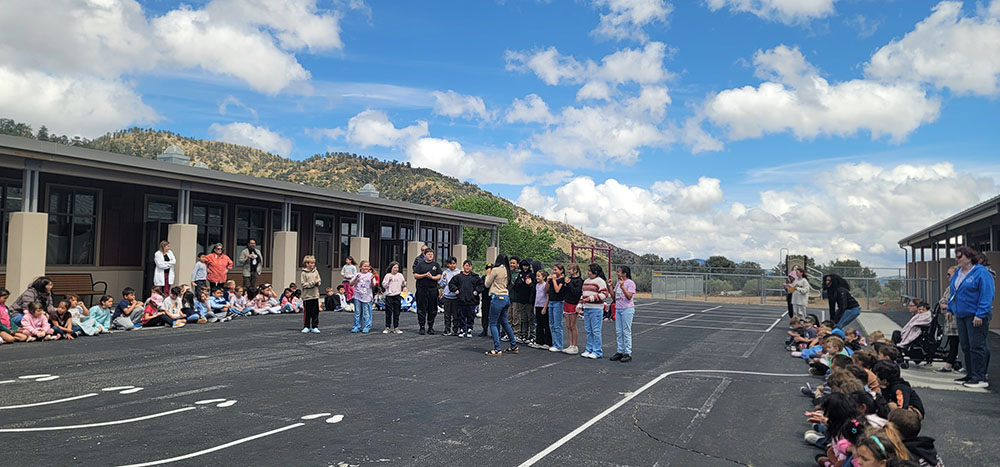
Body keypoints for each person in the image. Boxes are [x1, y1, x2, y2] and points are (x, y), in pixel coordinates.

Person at [948, 246, 994, 388]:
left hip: (974, 315)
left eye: (959, 257)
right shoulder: (958, 273)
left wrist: (980, 314)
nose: (957, 260)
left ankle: (980, 377)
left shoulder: (981, 273)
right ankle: (970, 373)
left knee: (977, 345)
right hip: (961, 314)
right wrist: (950, 308)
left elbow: (986, 294)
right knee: (966, 345)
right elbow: (953, 292)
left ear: (969, 257)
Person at [484, 253, 518, 356]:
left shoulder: (495, 270)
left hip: (497, 297)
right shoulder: (507, 271)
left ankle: (497, 348)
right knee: (505, 322)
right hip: (506, 297)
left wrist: (488, 274)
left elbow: (487, 284)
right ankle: (514, 345)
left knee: (493, 323)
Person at [579, 264, 609, 360]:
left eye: (589, 270)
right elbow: (582, 295)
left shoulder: (600, 281)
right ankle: (589, 349)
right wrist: (579, 305)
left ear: (595, 272)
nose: (587, 272)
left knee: (596, 330)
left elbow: (604, 294)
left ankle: (597, 351)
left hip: (596, 309)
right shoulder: (586, 281)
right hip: (587, 308)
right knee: (588, 330)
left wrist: (591, 298)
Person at [935, 266, 961, 373]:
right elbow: (942, 301)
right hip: (950, 320)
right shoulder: (949, 288)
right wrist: (945, 305)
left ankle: (950, 363)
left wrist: (947, 305)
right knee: (952, 342)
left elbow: (954, 303)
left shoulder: (958, 288)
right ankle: (950, 362)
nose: (947, 277)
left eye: (949, 274)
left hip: (957, 319)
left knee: (959, 343)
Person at [412, 248, 442, 335]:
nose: (430, 255)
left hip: (432, 289)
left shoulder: (436, 265)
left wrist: (432, 277)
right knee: (421, 309)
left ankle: (431, 327)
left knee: (432, 309)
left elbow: (439, 276)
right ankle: (422, 327)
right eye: (428, 254)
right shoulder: (420, 264)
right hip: (422, 289)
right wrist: (425, 275)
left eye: (432, 254)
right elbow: (415, 275)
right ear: (425, 255)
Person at [449, 260, 480, 338]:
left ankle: (469, 329)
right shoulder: (458, 277)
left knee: (471, 315)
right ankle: (462, 329)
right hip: (461, 300)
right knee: (461, 315)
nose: (467, 267)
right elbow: (451, 284)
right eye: (466, 265)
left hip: (471, 300)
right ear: (463, 266)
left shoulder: (475, 277)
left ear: (471, 267)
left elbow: (481, 285)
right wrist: (455, 290)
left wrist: (477, 291)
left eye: (469, 266)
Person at [612, 265, 636, 362]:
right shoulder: (618, 283)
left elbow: (629, 296)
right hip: (618, 308)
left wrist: (623, 287)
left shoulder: (630, 283)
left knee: (626, 331)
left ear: (624, 273)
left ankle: (627, 352)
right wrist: (610, 286)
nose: (617, 273)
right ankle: (619, 351)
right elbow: (614, 296)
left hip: (627, 309)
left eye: (619, 272)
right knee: (619, 331)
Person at [512, 259, 536, 344]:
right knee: (523, 318)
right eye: (524, 266)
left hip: (529, 299)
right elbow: (516, 286)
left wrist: (528, 283)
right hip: (521, 298)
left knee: (530, 318)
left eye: (527, 266)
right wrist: (520, 283)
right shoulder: (520, 274)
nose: (525, 267)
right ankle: (523, 334)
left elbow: (533, 287)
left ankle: (532, 335)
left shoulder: (532, 275)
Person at [562, 264, 584, 354]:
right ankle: (570, 344)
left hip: (573, 303)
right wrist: (565, 285)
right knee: (568, 325)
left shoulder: (579, 281)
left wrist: (569, 283)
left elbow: (576, 292)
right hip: (566, 302)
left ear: (575, 271)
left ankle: (575, 345)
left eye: (570, 269)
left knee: (573, 325)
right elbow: (564, 291)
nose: (568, 271)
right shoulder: (568, 279)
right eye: (568, 269)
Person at [350, 260, 377, 334]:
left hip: (367, 296)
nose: (366, 268)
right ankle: (356, 326)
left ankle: (367, 326)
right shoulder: (357, 274)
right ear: (360, 267)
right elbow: (351, 284)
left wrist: (371, 280)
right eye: (365, 266)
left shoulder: (370, 275)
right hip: (357, 296)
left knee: (366, 312)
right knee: (357, 312)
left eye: (368, 266)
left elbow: (373, 285)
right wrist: (356, 278)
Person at [546, 264, 567, 352]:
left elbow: (557, 290)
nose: (554, 272)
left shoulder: (562, 280)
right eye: (553, 270)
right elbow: (546, 290)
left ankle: (559, 345)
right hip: (551, 301)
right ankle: (555, 343)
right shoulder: (551, 280)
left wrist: (554, 280)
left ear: (561, 270)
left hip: (558, 302)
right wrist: (548, 281)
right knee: (551, 323)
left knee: (557, 325)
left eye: (556, 270)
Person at [439, 257, 461, 336]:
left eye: (454, 263)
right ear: (447, 264)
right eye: (450, 264)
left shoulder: (459, 272)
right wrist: (444, 279)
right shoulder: (445, 272)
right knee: (447, 314)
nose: (452, 265)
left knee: (456, 314)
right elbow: (441, 284)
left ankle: (455, 329)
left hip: (455, 296)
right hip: (447, 296)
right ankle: (447, 329)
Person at [300, 255, 322, 333]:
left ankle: (315, 326)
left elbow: (319, 280)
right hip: (307, 296)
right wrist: (313, 283)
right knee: (308, 312)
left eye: (313, 263)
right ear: (307, 264)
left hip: (315, 295)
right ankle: (306, 326)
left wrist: (318, 283)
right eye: (311, 263)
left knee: (315, 312)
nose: (313, 265)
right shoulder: (303, 273)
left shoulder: (316, 271)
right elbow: (304, 284)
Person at [382, 262, 406, 334]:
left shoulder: (400, 275)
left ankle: (396, 327)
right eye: (395, 267)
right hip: (389, 295)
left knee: (397, 312)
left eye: (397, 268)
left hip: (397, 295)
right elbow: (384, 285)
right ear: (391, 268)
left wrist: (403, 283)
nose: (396, 269)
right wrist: (388, 281)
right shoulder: (387, 275)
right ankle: (387, 327)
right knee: (388, 312)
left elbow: (403, 285)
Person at [531, 269, 551, 349]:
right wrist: (535, 307)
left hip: (543, 306)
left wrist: (545, 307)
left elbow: (547, 297)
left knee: (545, 324)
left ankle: (548, 342)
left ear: (544, 277)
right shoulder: (537, 285)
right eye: (536, 276)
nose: (537, 277)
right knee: (539, 324)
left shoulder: (545, 285)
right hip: (538, 306)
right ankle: (539, 341)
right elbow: (537, 297)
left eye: (539, 276)